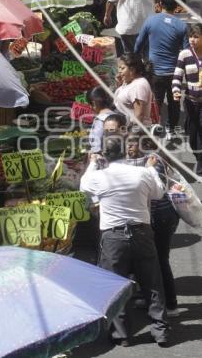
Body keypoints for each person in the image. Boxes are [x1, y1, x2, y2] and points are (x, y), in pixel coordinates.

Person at [80, 135, 170, 346]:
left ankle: (121, 335)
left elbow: (83, 185)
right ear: (123, 152)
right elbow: (159, 193)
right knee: (152, 283)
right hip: (142, 232)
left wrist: (92, 162)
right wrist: (150, 169)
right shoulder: (142, 173)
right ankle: (161, 330)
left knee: (115, 286)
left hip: (113, 237)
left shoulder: (99, 177)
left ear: (105, 155)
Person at [126, 129, 180, 315]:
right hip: (151, 216)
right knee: (147, 259)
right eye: (126, 144)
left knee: (160, 260)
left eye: (131, 144)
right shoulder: (142, 161)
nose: (128, 148)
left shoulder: (153, 162)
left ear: (143, 144)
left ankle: (171, 304)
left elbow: (155, 191)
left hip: (161, 217)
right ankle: (149, 296)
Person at [135, 0, 189, 135]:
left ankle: (155, 129)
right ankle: (171, 130)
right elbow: (187, 51)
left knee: (156, 102)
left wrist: (139, 60)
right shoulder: (181, 26)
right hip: (174, 73)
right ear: (176, 7)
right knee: (174, 103)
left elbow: (138, 44)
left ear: (160, 5)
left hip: (155, 72)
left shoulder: (150, 21)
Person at [172, 24, 202, 180]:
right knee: (192, 135)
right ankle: (201, 160)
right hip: (191, 101)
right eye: (191, 36)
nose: (192, 39)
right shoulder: (184, 54)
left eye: (196, 36)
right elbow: (177, 76)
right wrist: (176, 91)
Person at [114, 53, 153, 126]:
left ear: (132, 69)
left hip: (133, 131)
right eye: (118, 68)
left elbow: (139, 115)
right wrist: (119, 84)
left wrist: (132, 134)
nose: (119, 71)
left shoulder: (139, 86)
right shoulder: (128, 81)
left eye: (122, 68)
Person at [86, 86, 115, 153]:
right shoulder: (115, 115)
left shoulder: (101, 120)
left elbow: (97, 145)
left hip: (103, 159)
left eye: (89, 104)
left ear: (94, 103)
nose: (90, 107)